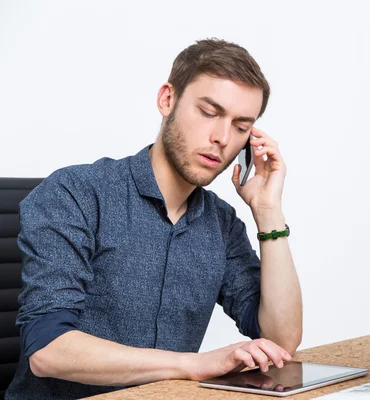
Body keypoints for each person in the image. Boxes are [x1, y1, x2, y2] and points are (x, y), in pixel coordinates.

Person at [6, 38, 303, 399]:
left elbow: (281, 340)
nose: (222, 138)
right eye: (209, 112)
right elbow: (48, 351)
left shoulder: (221, 224)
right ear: (167, 100)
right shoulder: (76, 193)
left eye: (241, 127)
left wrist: (268, 211)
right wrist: (191, 364)